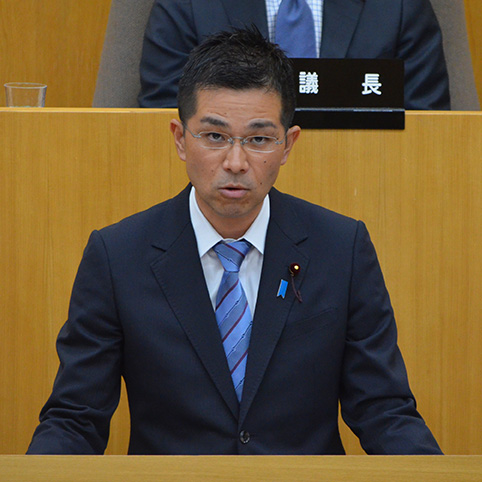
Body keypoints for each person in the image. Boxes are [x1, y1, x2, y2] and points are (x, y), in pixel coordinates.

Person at [28, 27, 442, 455]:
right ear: (180, 139)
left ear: (288, 145)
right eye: (215, 136)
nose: (236, 162)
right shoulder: (118, 256)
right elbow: (75, 418)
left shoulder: (341, 249)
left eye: (259, 139)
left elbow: (385, 411)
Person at [138, 0, 450, 110]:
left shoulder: (399, 6)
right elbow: (162, 118)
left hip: (363, 186)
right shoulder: (188, 5)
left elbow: (428, 127)